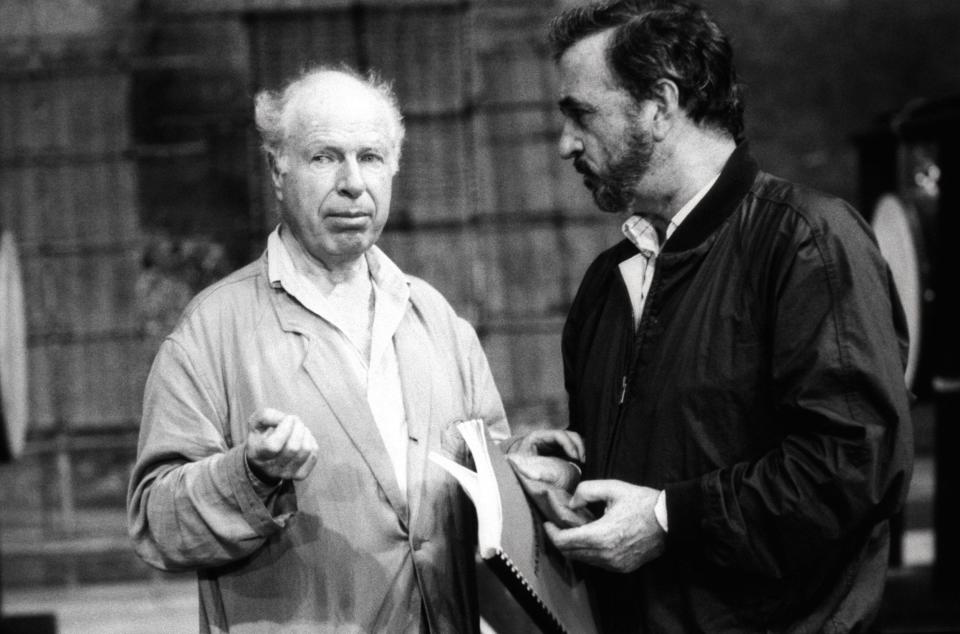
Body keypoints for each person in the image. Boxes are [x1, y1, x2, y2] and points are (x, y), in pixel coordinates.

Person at [541, 1, 914, 632]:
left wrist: (668, 519)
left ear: (659, 105)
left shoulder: (808, 241)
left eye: (581, 113)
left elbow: (854, 467)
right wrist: (565, 480)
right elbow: (666, 461)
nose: (565, 144)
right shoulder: (608, 281)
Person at [126, 66, 511, 633]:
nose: (354, 183)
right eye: (325, 157)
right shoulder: (211, 330)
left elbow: (492, 493)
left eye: (371, 158)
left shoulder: (437, 320)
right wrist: (251, 474)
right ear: (278, 170)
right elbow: (157, 524)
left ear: (394, 169)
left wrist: (526, 471)